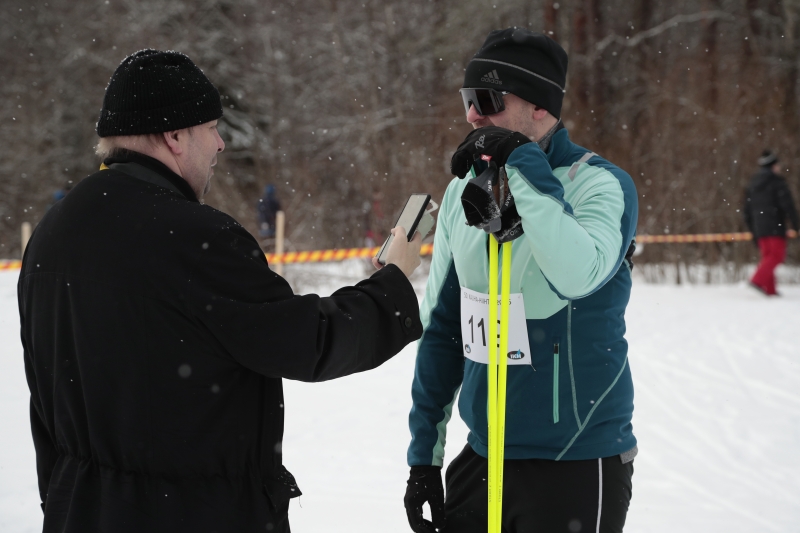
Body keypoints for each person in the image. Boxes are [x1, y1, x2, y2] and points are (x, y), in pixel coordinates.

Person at [19, 49, 423, 533]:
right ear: (173, 136)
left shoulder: (53, 233)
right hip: (190, 513)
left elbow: (45, 410)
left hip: (79, 510)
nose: (220, 145)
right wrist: (393, 286)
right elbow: (307, 342)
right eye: (211, 128)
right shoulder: (191, 237)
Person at [404, 29, 638, 533]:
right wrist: (424, 458)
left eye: (486, 100)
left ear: (539, 107)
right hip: (482, 457)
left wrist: (522, 162)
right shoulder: (460, 193)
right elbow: (443, 330)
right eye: (468, 100)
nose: (471, 116)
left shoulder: (601, 184)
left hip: (575, 460)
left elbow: (577, 275)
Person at [743, 150, 799, 296]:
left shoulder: (753, 184)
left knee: (767, 257)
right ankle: (757, 280)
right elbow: (788, 206)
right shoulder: (777, 182)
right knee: (776, 257)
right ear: (773, 166)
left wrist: (753, 230)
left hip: (759, 228)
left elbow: (747, 210)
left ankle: (770, 290)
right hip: (775, 226)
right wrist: (796, 225)